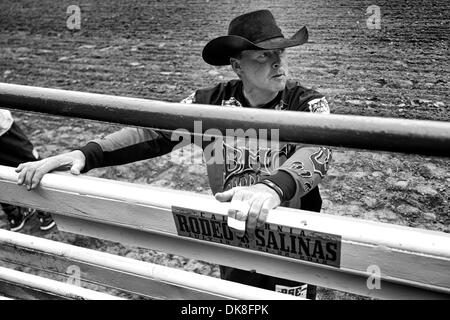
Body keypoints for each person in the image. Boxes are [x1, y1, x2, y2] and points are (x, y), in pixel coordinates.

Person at [16, 10, 331, 298]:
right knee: (236, 298)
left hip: (291, 240)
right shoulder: (209, 104)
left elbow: (320, 148)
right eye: (264, 56)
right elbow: (154, 131)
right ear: (237, 66)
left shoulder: (306, 103)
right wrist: (87, 154)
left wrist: (272, 188)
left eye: (281, 52)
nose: (278, 62)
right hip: (232, 231)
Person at [0, 109, 55, 231]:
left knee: (30, 165)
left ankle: (36, 208)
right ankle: (20, 211)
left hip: (4, 130)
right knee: (31, 164)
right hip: (4, 131)